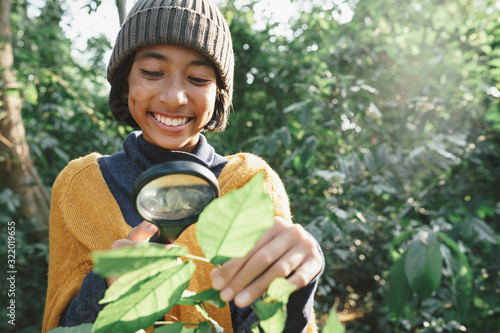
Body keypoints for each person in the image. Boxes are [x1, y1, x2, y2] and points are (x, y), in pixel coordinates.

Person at [42, 0, 324, 332]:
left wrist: (294, 287)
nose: (175, 96)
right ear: (125, 80)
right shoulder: (79, 186)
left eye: (198, 77)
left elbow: (267, 322)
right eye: (151, 72)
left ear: (218, 93)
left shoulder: (252, 183)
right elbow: (58, 324)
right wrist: (103, 288)